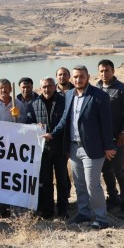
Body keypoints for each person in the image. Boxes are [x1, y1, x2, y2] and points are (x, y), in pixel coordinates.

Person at [43, 65, 115, 230]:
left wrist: (108, 146)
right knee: (80, 183)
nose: (78, 80)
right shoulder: (69, 95)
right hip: (74, 147)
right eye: (75, 77)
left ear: (88, 77)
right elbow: (64, 120)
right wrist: (52, 134)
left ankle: (101, 218)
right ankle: (83, 213)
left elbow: (106, 124)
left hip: (93, 149)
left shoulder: (99, 96)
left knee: (92, 184)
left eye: (81, 76)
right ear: (71, 78)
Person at [96, 59, 124, 219]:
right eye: (101, 71)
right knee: (105, 169)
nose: (104, 74)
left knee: (119, 170)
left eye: (107, 70)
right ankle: (113, 197)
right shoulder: (96, 88)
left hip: (117, 138)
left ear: (113, 71)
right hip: (101, 139)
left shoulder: (122, 89)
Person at [27, 77, 69, 220]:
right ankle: (48, 210)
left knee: (62, 181)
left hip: (59, 148)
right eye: (44, 86)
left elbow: (65, 121)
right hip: (42, 150)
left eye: (50, 86)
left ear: (54, 86)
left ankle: (63, 210)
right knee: (45, 182)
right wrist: (34, 126)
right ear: (40, 88)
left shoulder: (63, 101)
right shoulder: (34, 103)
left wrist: (54, 134)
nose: (47, 89)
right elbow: (28, 123)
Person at [0, 78, 27, 217]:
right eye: (0, 88)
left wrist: (19, 116)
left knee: (14, 178)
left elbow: (26, 125)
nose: (3, 90)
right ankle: (1, 208)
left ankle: (16, 209)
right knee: (1, 179)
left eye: (6, 88)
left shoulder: (19, 104)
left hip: (15, 147)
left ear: (10, 89)